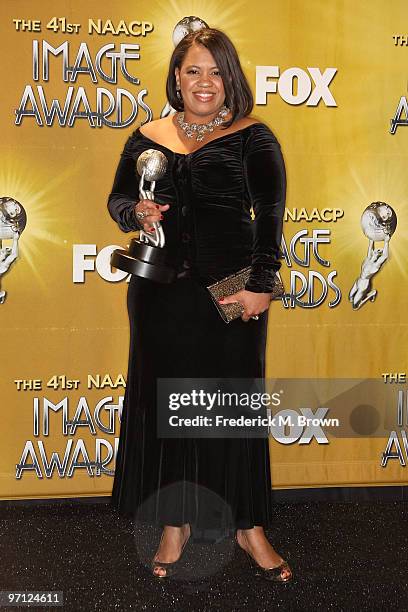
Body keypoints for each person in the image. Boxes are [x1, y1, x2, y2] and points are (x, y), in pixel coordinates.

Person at [108, 28, 291, 582]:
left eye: (214, 71)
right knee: (166, 407)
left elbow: (272, 214)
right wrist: (133, 215)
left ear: (230, 77)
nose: (203, 82)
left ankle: (247, 524)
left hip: (232, 290)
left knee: (231, 409)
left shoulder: (253, 137)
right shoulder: (147, 136)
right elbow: (118, 197)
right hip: (159, 292)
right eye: (192, 71)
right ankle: (173, 522)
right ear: (177, 78)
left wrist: (263, 283)